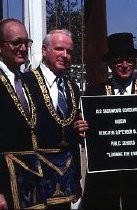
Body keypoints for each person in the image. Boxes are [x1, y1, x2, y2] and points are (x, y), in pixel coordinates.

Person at [74, 32, 137, 210]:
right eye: (118, 60)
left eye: (129, 60)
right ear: (110, 64)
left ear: (135, 63)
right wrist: (79, 129)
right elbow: (83, 136)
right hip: (105, 180)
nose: (124, 65)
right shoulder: (93, 94)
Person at [24, 29, 82, 209]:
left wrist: (80, 129)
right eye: (59, 49)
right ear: (44, 50)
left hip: (66, 176)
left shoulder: (72, 86)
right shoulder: (26, 83)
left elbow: (73, 135)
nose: (65, 55)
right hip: (35, 177)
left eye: (69, 51)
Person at [0, 18, 41, 209]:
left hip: (32, 184)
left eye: (26, 42)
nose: (23, 48)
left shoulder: (28, 81)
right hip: (5, 185)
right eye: (16, 42)